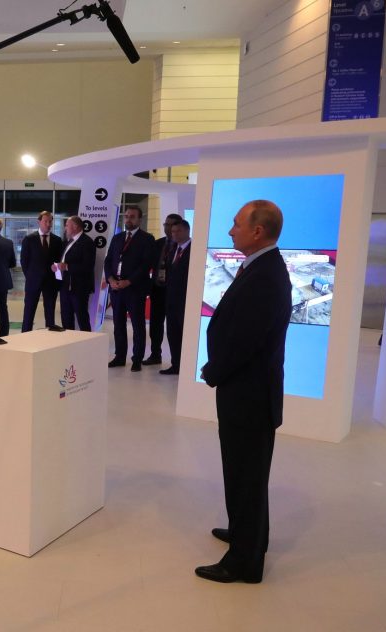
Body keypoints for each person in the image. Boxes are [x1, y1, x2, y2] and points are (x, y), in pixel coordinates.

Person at [197, 200, 292, 584]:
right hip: (246, 391)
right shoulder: (261, 267)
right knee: (243, 473)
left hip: (249, 395)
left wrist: (213, 370)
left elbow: (245, 340)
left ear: (258, 231)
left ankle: (244, 561)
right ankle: (247, 535)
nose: (230, 231)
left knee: (246, 475)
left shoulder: (266, 276)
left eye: (236, 224)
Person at [104, 206, 155, 371]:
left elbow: (146, 264)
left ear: (140, 219)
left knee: (137, 326)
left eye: (132, 216)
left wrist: (130, 281)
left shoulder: (147, 239)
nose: (128, 219)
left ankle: (137, 359)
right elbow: (108, 260)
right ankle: (119, 357)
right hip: (116, 288)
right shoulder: (117, 238)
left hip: (135, 289)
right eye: (126, 216)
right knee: (118, 325)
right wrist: (110, 279)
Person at [144, 213, 182, 365]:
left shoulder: (183, 246)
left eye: (171, 225)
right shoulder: (158, 244)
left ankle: (177, 361)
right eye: (166, 224)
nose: (168, 228)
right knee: (155, 325)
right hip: (157, 290)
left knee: (175, 327)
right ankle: (155, 355)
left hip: (175, 293)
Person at [19, 211, 63, 332]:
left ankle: (50, 334)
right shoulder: (29, 239)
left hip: (51, 282)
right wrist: (30, 277)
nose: (48, 224)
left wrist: (58, 281)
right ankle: (25, 335)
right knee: (29, 312)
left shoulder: (57, 240)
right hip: (33, 282)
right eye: (45, 221)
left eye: (50, 221)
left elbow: (59, 262)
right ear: (39, 222)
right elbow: (24, 261)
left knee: (50, 313)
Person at [54, 215, 95, 331]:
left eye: (67, 225)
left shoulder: (87, 242)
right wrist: (57, 267)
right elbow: (64, 260)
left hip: (79, 289)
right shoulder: (68, 242)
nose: (65, 228)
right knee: (66, 318)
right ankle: (69, 341)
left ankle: (87, 341)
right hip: (65, 287)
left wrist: (66, 266)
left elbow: (88, 266)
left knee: (82, 318)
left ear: (75, 226)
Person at [160, 219, 191, 375]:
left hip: (186, 301)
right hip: (171, 300)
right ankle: (176, 364)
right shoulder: (172, 249)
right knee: (173, 334)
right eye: (172, 232)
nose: (174, 234)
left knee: (186, 334)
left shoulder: (194, 250)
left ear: (187, 231)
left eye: (178, 231)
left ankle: (188, 367)